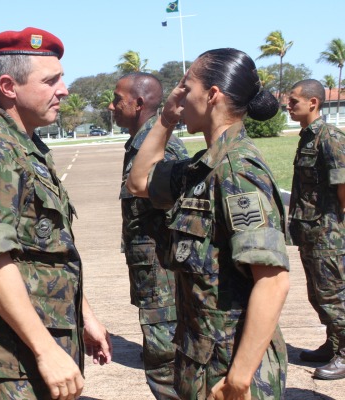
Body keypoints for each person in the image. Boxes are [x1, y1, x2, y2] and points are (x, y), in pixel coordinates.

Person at [0, 27, 112, 399]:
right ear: (8, 86)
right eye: (50, 81)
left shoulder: (26, 148)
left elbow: (50, 252)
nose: (63, 89)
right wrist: (46, 349)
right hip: (12, 360)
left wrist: (86, 316)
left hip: (38, 345)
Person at [127, 48, 290, 399]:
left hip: (230, 369)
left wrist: (240, 379)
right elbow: (139, 182)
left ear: (213, 95)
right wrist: (166, 120)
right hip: (201, 358)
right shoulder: (203, 169)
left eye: (186, 88)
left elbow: (273, 280)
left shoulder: (236, 171)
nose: (179, 96)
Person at [108, 72, 187, 399]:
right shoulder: (141, 144)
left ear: (138, 103)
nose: (111, 106)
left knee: (164, 362)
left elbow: (181, 218)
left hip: (164, 276)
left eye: (117, 99)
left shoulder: (159, 148)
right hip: (152, 273)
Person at [286, 79, 345, 379]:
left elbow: (343, 187)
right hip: (310, 233)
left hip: (327, 234)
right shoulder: (307, 137)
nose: (288, 105)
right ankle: (334, 343)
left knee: (333, 295)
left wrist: (335, 230)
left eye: (294, 101)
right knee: (318, 294)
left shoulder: (330, 137)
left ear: (313, 103)